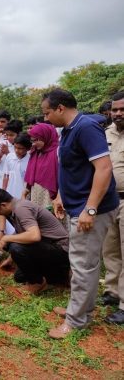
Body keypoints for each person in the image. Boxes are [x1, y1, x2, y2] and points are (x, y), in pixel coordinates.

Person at [41, 89, 119, 339]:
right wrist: (62, 195)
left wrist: (90, 208)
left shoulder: (86, 128)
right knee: (80, 262)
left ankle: (76, 321)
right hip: (77, 206)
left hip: (91, 210)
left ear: (60, 108)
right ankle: (79, 308)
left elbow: (104, 168)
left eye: (47, 113)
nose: (46, 119)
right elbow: (73, 168)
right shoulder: (69, 131)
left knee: (83, 264)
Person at [0, 189, 70, 294]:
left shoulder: (21, 209)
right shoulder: (15, 210)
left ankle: (38, 283)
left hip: (61, 250)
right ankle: (57, 277)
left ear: (3, 205)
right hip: (48, 248)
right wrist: (11, 257)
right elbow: (23, 236)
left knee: (14, 246)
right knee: (19, 277)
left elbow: (34, 236)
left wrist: (6, 237)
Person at [101, 91, 124, 325]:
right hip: (109, 200)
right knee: (110, 248)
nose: (117, 113)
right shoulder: (105, 134)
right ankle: (112, 291)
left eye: (122, 109)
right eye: (115, 109)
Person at [23, 123, 59, 207]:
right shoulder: (35, 152)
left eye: (36, 140)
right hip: (35, 195)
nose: (34, 144)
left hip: (50, 198)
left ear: (46, 136)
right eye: (32, 140)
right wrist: (25, 193)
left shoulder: (57, 153)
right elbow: (30, 175)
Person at [0, 119, 22, 189]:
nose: (8, 137)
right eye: (7, 135)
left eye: (11, 135)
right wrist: (0, 155)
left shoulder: (23, 146)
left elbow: (20, 164)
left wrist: (7, 153)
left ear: (19, 133)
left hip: (16, 183)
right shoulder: (3, 143)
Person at [2, 133, 31, 199]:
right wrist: (3, 190)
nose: (16, 150)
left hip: (24, 195)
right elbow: (6, 174)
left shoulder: (31, 160)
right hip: (10, 193)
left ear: (28, 148)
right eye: (15, 147)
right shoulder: (10, 157)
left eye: (20, 148)